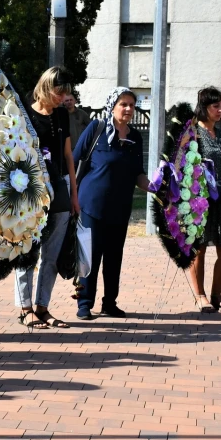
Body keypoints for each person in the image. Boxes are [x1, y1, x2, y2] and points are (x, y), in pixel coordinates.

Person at [72, 87, 153, 320]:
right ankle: (84, 304)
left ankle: (110, 303)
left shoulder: (135, 137)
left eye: (131, 105)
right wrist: (72, 198)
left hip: (119, 208)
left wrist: (156, 187)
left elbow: (138, 174)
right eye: (123, 104)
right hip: (91, 206)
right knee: (89, 256)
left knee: (114, 258)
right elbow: (75, 160)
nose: (128, 109)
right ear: (113, 105)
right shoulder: (96, 129)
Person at [13, 67, 80, 329]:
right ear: (45, 86)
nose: (63, 97)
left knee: (51, 254)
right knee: (27, 251)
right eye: (59, 92)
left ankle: (42, 307)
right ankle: (24, 308)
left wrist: (74, 193)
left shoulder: (62, 115)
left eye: (66, 93)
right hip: (29, 190)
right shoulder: (24, 114)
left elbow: (67, 156)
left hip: (59, 189)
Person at [186, 87, 221, 313]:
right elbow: (184, 166)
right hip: (200, 199)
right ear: (203, 107)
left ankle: (217, 295)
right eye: (215, 106)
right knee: (199, 248)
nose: (220, 111)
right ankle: (199, 296)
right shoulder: (193, 133)